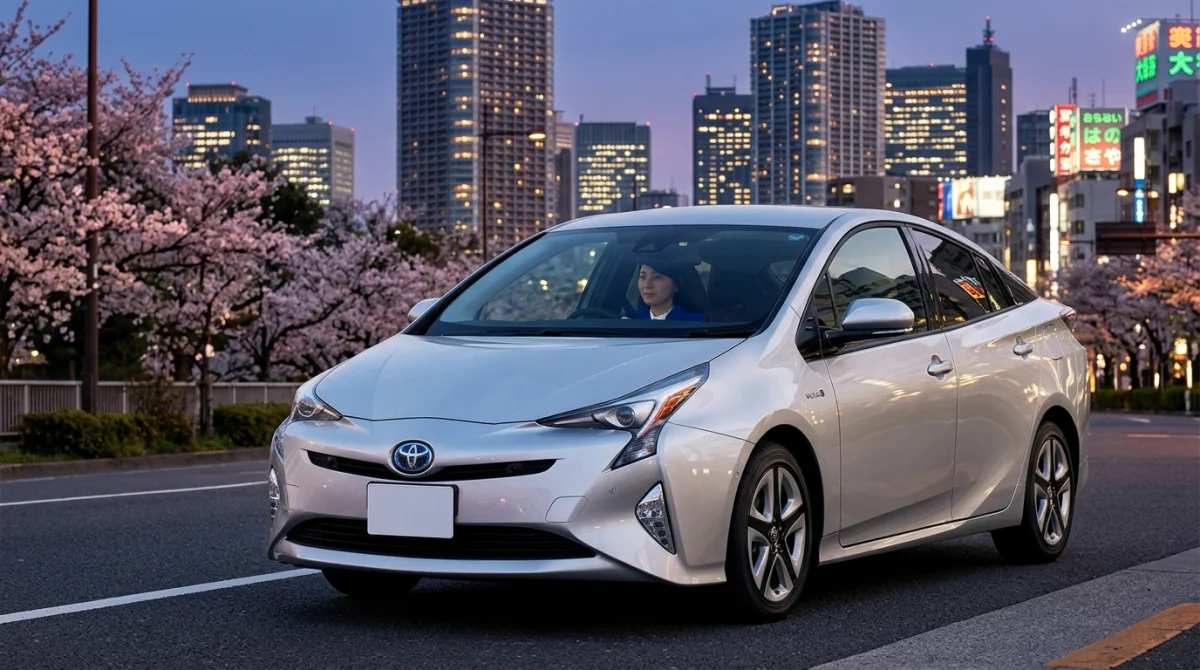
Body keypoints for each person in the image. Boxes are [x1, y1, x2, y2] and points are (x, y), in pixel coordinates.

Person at [628, 261, 707, 322]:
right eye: (642, 276)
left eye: (657, 277)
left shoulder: (693, 321)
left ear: (675, 285)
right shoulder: (633, 321)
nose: (647, 284)